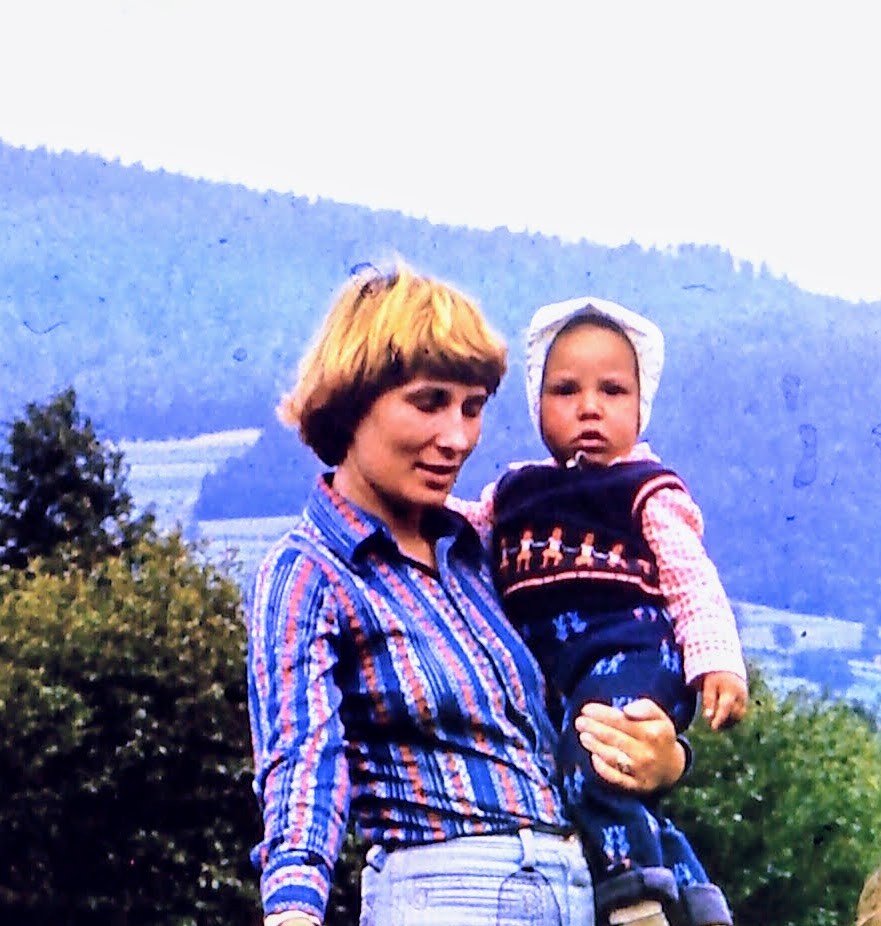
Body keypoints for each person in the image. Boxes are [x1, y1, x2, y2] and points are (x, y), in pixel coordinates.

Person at [246, 263, 691, 926]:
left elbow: (580, 693)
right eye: (428, 403)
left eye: (472, 408)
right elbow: (302, 762)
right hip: (445, 897)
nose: (456, 438)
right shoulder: (310, 571)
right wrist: (292, 911)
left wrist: (665, 759)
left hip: (577, 893)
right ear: (352, 400)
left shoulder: (485, 554)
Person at [452, 296, 748, 926]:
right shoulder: (515, 489)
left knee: (599, 760)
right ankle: (697, 901)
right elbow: (463, 529)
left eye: (612, 390)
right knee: (592, 779)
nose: (589, 407)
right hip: (566, 669)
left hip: (632, 651)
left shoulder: (646, 488)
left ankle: (633, 901)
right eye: (566, 390)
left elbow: (692, 579)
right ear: (537, 405)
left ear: (640, 407)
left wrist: (717, 661)